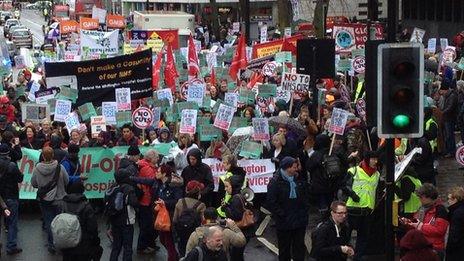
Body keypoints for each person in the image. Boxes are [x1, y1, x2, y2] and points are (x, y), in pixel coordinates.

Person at [132, 164, 183, 261]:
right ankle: (174, 256)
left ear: (164, 174)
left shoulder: (174, 185)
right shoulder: (157, 182)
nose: (156, 172)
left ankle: (172, 258)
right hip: (160, 215)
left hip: (170, 216)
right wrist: (131, 178)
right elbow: (144, 180)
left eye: (158, 171)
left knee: (168, 240)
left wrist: (165, 203)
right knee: (163, 239)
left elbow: (178, 200)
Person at [267, 156, 310, 261]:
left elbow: (305, 197)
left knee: (299, 247)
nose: (296, 169)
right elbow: (272, 202)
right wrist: (282, 214)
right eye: (294, 167)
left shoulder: (298, 179)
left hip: (299, 221)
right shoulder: (275, 182)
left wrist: (304, 212)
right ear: (287, 168)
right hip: (284, 222)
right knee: (284, 249)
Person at [341, 150, 380, 261]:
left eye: (376, 159)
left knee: (364, 237)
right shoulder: (353, 171)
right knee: (346, 235)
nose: (375, 161)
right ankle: (343, 256)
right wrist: (353, 195)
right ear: (367, 159)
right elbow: (344, 186)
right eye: (373, 159)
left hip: (368, 210)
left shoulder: (376, 174)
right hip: (353, 209)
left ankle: (357, 257)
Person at [31, 146, 69, 254]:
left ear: (42, 156)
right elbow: (66, 181)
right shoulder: (60, 167)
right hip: (60, 198)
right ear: (53, 155)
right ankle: (62, 243)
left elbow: (34, 184)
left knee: (49, 222)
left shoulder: (37, 168)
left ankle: (51, 244)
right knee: (60, 223)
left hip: (45, 200)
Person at [401, 183, 449, 259]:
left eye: (421, 197)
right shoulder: (422, 208)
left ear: (429, 197)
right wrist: (408, 223)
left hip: (435, 248)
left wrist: (420, 226)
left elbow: (439, 230)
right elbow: (416, 223)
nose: (420, 199)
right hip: (423, 247)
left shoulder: (440, 210)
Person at [59, 181, 103, 261]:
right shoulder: (86, 206)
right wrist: (95, 240)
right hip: (83, 244)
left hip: (66, 243)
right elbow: (92, 227)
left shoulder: (62, 204)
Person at [109, 169, 140, 261]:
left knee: (116, 246)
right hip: (126, 220)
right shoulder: (128, 188)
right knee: (127, 247)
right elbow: (134, 202)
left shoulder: (113, 187)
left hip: (114, 220)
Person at [134, 149, 159, 254]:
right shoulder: (148, 169)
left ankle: (149, 244)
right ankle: (142, 246)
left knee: (147, 224)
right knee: (146, 225)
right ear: (151, 158)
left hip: (145, 200)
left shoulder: (145, 166)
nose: (158, 159)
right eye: (156, 157)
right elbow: (153, 182)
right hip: (147, 200)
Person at [0, 144, 23, 255]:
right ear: (8, 153)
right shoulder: (12, 165)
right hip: (11, 196)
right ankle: (11, 246)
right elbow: (20, 178)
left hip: (1, 196)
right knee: (12, 222)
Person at [173, 180, 206, 257]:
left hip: (181, 235)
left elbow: (175, 220)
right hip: (195, 235)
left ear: (186, 190)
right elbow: (203, 222)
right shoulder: (201, 205)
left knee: (182, 254)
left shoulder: (180, 202)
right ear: (198, 193)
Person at [439, 83, 458, 157]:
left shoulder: (452, 96)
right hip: (447, 118)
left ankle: (452, 152)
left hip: (450, 118)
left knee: (450, 135)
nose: (441, 92)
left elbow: (450, 107)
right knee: (448, 135)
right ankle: (449, 150)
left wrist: (441, 112)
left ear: (445, 90)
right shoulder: (448, 96)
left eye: (442, 90)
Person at [445, 186, 464, 261]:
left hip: (457, 252)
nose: (448, 201)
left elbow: (454, 237)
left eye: (449, 199)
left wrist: (448, 250)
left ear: (455, 199)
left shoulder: (457, 213)